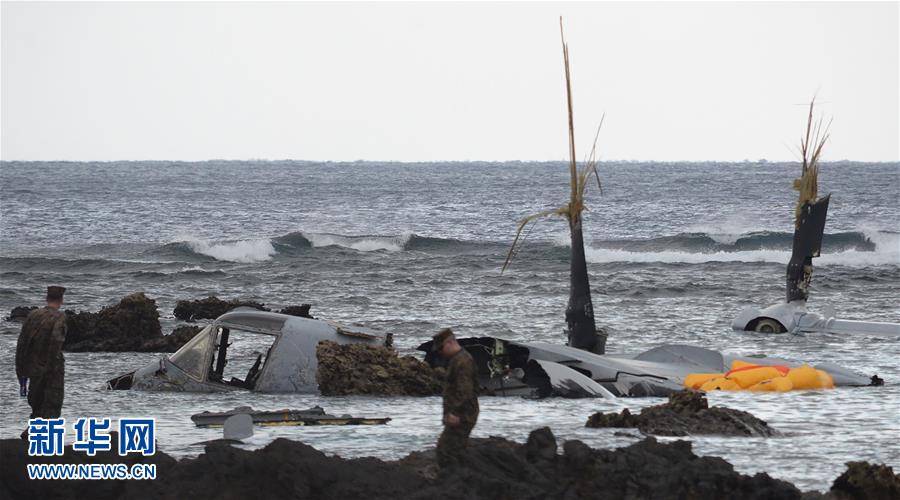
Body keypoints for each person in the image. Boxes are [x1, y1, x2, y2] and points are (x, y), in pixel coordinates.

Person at [15, 286, 68, 437]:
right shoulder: (60, 317)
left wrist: (21, 372)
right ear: (61, 300)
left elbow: (22, 343)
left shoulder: (33, 315)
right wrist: (51, 366)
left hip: (32, 367)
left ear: (47, 298)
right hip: (52, 368)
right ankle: (45, 442)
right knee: (52, 404)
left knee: (37, 403)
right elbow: (56, 342)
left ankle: (32, 432)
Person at [432, 328, 479, 467]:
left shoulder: (463, 361)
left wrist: (455, 414)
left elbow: (465, 391)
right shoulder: (456, 360)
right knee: (450, 451)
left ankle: (455, 481)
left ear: (450, 343)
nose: (440, 352)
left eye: (441, 348)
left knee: (447, 451)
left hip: (462, 416)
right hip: (459, 415)